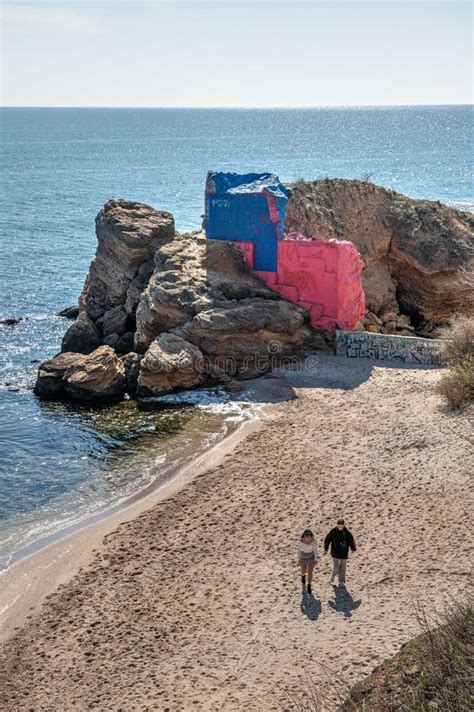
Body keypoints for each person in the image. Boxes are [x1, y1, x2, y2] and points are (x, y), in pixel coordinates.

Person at [323, 518, 356, 587]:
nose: (340, 527)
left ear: (343, 525)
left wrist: (353, 548)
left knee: (343, 567)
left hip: (344, 552)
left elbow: (351, 540)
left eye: (341, 525)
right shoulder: (333, 531)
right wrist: (326, 549)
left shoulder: (346, 532)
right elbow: (327, 540)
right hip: (335, 552)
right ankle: (332, 579)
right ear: (337, 525)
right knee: (336, 567)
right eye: (339, 525)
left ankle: (341, 581)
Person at [297, 529, 318, 595]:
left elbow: (315, 551)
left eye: (309, 536)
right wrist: (299, 559)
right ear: (304, 536)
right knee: (303, 571)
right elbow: (299, 551)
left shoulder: (314, 541)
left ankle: (309, 585)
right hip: (303, 557)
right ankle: (303, 576)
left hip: (311, 557)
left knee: (310, 572)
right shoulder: (300, 542)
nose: (307, 538)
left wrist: (316, 559)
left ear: (311, 536)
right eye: (306, 536)